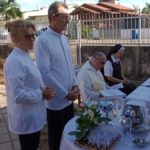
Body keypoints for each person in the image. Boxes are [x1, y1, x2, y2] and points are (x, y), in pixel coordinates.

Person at [3, 20, 55, 150]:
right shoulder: (15, 61)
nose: (32, 39)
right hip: (26, 118)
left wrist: (43, 89)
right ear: (16, 38)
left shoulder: (24, 55)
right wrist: (41, 94)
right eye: (27, 36)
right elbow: (18, 95)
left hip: (32, 115)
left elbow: (31, 82)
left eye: (34, 35)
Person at [34, 1, 79, 150]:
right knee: (57, 138)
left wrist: (75, 84)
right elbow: (44, 73)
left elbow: (69, 66)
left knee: (69, 134)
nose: (68, 20)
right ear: (53, 17)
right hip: (57, 102)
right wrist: (65, 94)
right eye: (65, 17)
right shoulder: (43, 40)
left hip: (69, 97)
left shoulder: (64, 38)